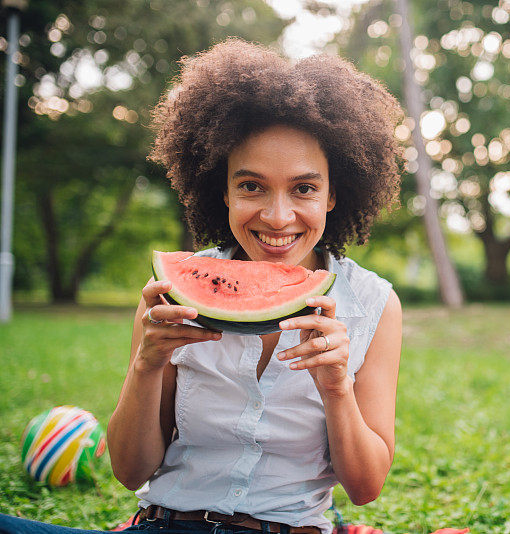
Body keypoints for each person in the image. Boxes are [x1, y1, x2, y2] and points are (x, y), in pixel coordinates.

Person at [0, 38, 404, 534]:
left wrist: (337, 388)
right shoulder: (171, 296)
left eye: (304, 188)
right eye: (251, 185)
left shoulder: (373, 305)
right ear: (223, 190)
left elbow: (365, 488)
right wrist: (147, 365)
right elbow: (131, 472)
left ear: (334, 193)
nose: (278, 217)